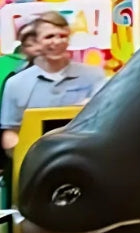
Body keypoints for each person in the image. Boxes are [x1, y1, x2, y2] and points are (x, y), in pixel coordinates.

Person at [0, 11, 106, 154]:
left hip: (84, 159)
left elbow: (105, 123)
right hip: (37, 164)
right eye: (49, 36)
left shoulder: (94, 76)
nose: (56, 41)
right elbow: (10, 132)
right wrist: (21, 155)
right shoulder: (15, 83)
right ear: (37, 42)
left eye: (62, 36)